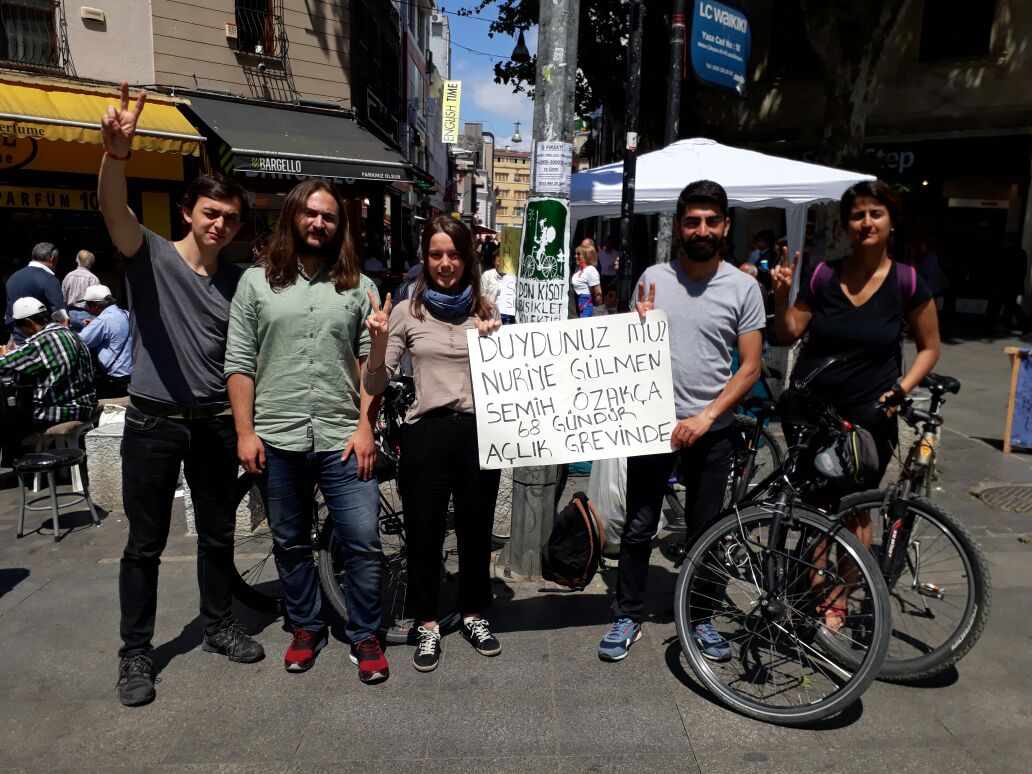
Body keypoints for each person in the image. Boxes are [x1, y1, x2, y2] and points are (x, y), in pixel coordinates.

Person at [99, 82, 264, 708]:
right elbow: (114, 210)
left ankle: (218, 623)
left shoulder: (241, 282)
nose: (219, 224)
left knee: (219, 533)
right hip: (152, 423)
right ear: (188, 211)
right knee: (144, 544)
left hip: (215, 423)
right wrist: (116, 155)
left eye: (230, 218)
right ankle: (135, 651)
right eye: (210, 213)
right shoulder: (150, 255)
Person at [225, 179, 389, 684]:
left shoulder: (360, 287)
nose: (319, 223)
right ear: (293, 216)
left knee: (363, 541)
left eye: (330, 217)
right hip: (278, 434)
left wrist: (366, 427)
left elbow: (371, 370)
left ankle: (365, 633)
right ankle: (306, 625)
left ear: (340, 226)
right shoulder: (255, 283)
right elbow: (239, 361)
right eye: (312, 213)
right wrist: (245, 432)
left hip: (344, 437)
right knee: (290, 540)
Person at [598, 180, 766, 663]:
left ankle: (700, 618)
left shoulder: (743, 287)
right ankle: (627, 613)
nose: (702, 230)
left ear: (725, 226)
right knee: (638, 526)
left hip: (713, 432)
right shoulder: (652, 279)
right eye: (693, 221)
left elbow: (750, 367)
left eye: (711, 221)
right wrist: (637, 324)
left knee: (706, 529)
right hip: (651, 428)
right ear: (678, 227)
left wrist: (706, 416)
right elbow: (626, 354)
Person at [772, 180, 941, 630]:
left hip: (870, 417)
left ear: (890, 223)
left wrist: (902, 388)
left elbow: (930, 347)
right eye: (857, 215)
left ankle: (840, 594)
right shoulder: (823, 276)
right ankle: (814, 587)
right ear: (846, 225)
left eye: (875, 213)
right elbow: (788, 333)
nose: (866, 222)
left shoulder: (908, 282)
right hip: (811, 409)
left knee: (853, 508)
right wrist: (781, 295)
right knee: (815, 503)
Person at [363, 215, 502, 673]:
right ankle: (427, 623)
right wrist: (379, 342)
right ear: (425, 258)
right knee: (423, 533)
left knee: (476, 530)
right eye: (436, 254)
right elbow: (376, 381)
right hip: (426, 433)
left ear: (467, 258)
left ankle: (474, 614)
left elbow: (507, 375)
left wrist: (496, 341)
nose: (445, 264)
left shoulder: (485, 309)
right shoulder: (407, 310)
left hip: (479, 432)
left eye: (454, 254)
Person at [0, 297, 97, 467]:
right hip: (85, 405)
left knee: (7, 421)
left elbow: (5, 362)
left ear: (29, 323)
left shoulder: (43, 340)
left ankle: (21, 469)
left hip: (62, 410)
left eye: (19, 326)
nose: (20, 331)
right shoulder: (70, 333)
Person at [4, 243, 65, 346]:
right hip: (43, 343)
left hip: (16, 340)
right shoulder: (50, 280)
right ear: (53, 259)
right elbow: (61, 317)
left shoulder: (13, 278)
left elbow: (9, 311)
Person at [79, 285, 132, 398]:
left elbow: (80, 343)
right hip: (132, 375)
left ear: (96, 305)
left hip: (115, 379)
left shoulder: (102, 320)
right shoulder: (126, 313)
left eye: (88, 305)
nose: (88, 308)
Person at [62, 250, 101, 331]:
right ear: (91, 262)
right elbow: (98, 300)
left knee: (73, 338)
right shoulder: (92, 278)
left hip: (70, 315)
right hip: (87, 315)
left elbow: (63, 298)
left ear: (77, 260)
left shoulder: (68, 276)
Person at [571, 243, 603, 317]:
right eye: (576, 254)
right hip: (576, 305)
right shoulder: (579, 270)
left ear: (586, 256)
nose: (575, 256)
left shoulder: (590, 270)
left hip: (585, 307)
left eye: (578, 254)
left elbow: (598, 293)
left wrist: (599, 311)